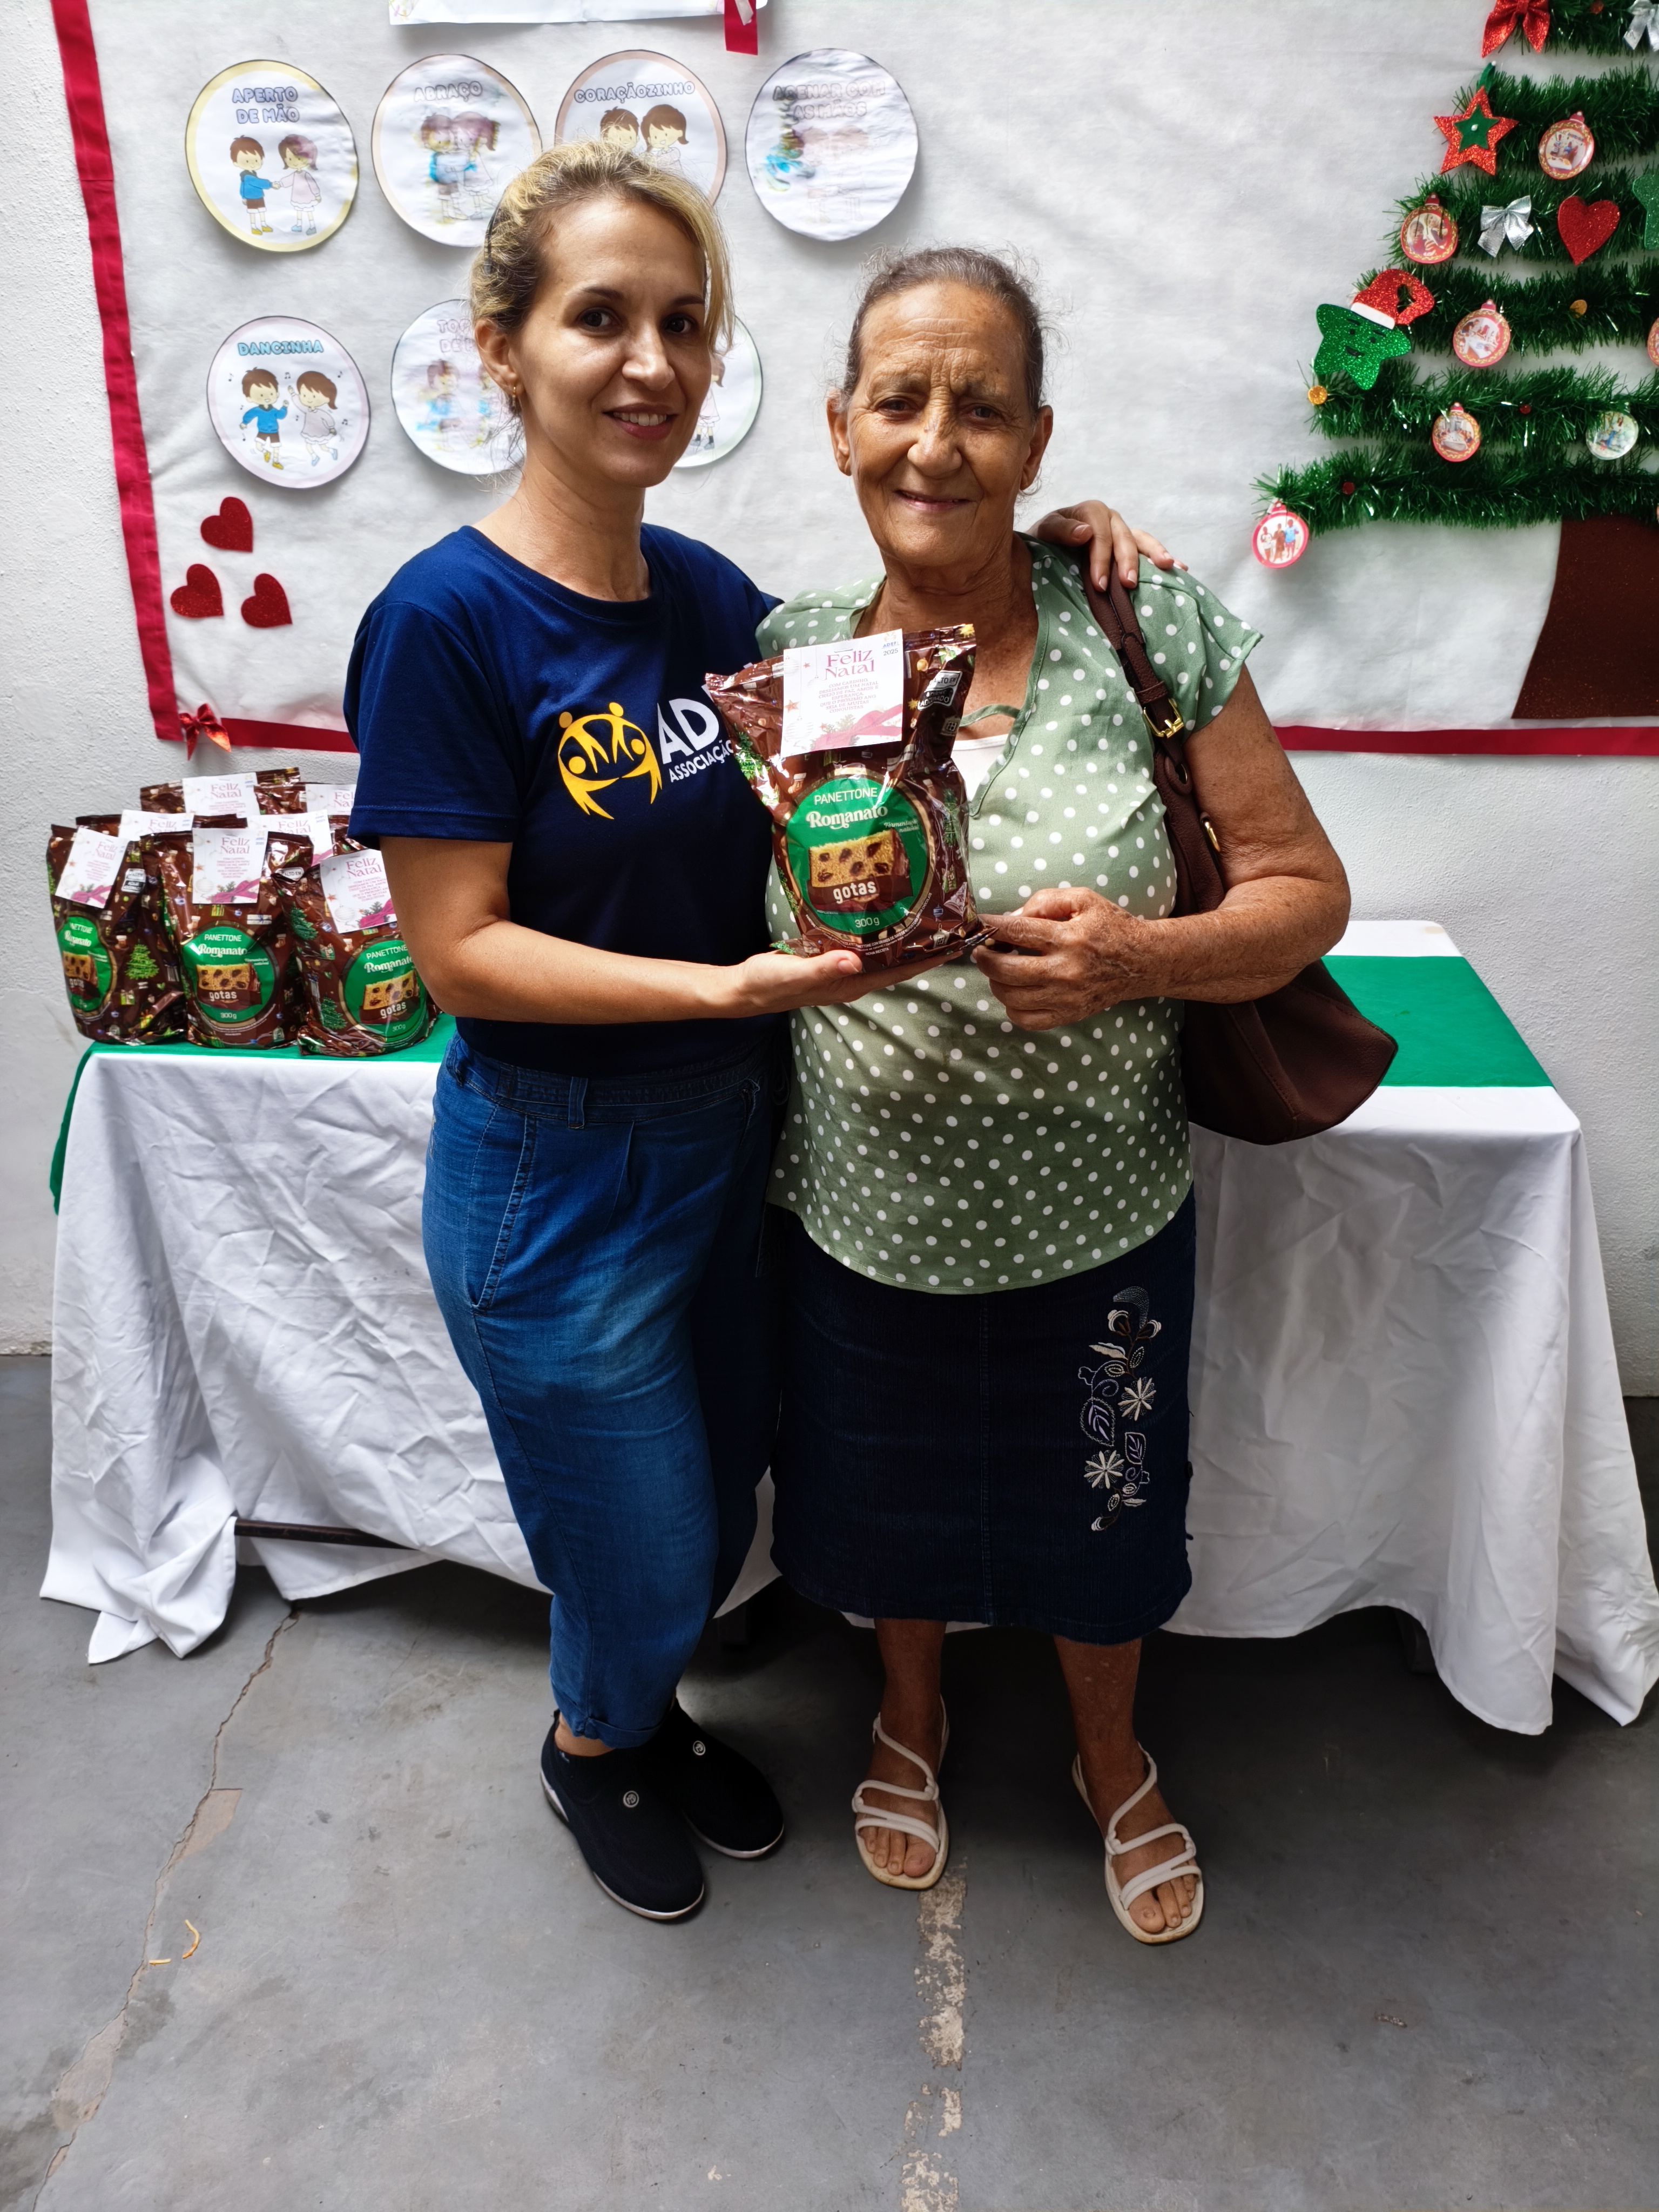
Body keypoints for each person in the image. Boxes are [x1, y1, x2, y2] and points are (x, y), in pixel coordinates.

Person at [345, 143, 1165, 1924]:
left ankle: (640, 1714)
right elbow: (457, 955)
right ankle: (593, 1743)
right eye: (600, 318)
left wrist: (1062, 542)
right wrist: (721, 992)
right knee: (636, 1542)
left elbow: (902, 636)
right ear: (501, 349)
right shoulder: (444, 622)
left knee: (719, 1509)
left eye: (684, 323)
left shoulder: (715, 604)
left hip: (733, 1147)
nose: (650, 360)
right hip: (559, 1165)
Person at [765, 247, 1351, 1944]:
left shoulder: (1146, 627)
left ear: (1035, 441)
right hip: (865, 1217)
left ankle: (1109, 1750)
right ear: (840, 428)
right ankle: (911, 1716)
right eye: (899, 401)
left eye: (982, 407)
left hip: (1098, 1217)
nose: (935, 441)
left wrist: (1138, 959)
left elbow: (1305, 893)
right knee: (884, 1507)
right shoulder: (790, 659)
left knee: (1107, 1509)